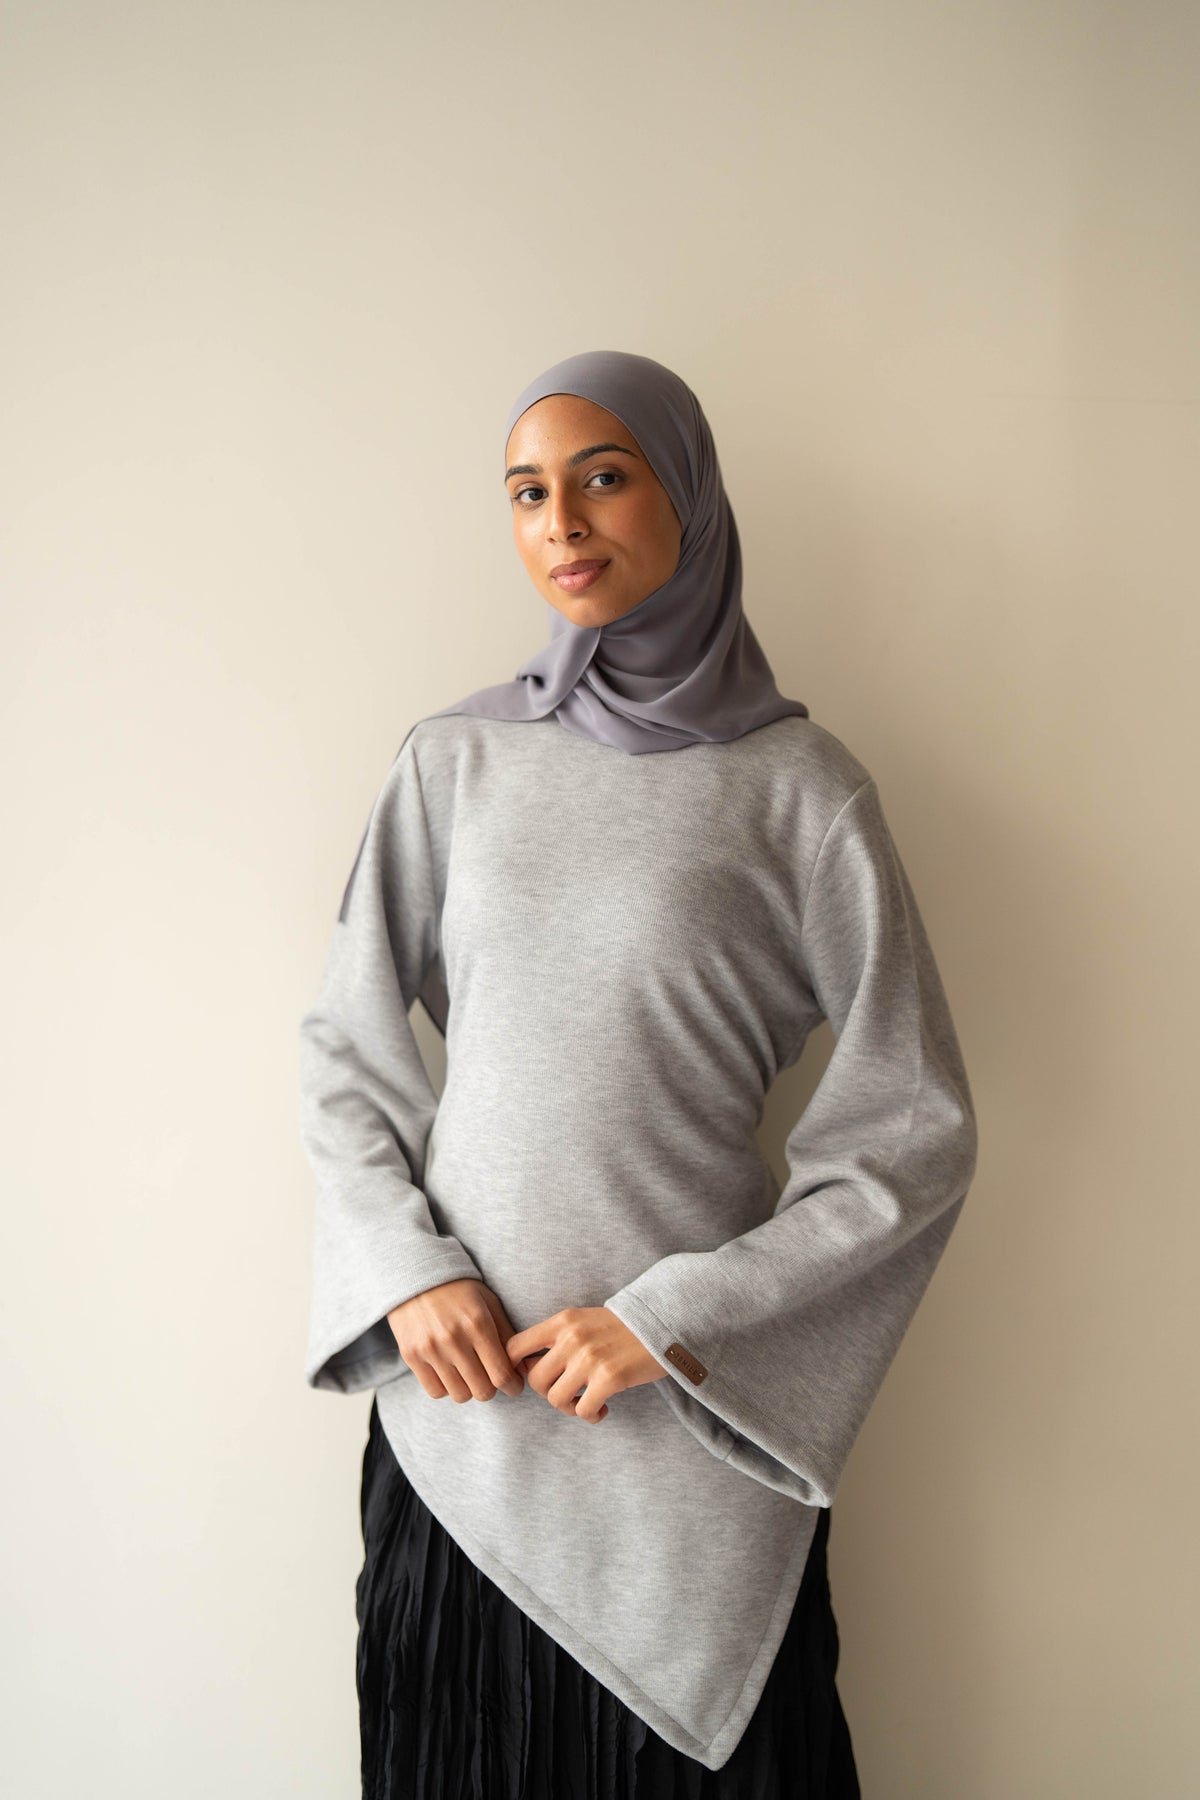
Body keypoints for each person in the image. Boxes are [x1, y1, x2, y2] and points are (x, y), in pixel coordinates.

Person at [298, 349, 979, 1799]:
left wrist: (670, 1322)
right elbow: (347, 1047)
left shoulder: (802, 791)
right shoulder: (452, 763)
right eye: (526, 491)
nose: (561, 521)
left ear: (689, 497)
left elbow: (911, 1130)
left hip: (690, 1442)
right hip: (464, 1435)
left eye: (603, 477)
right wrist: (406, 1272)